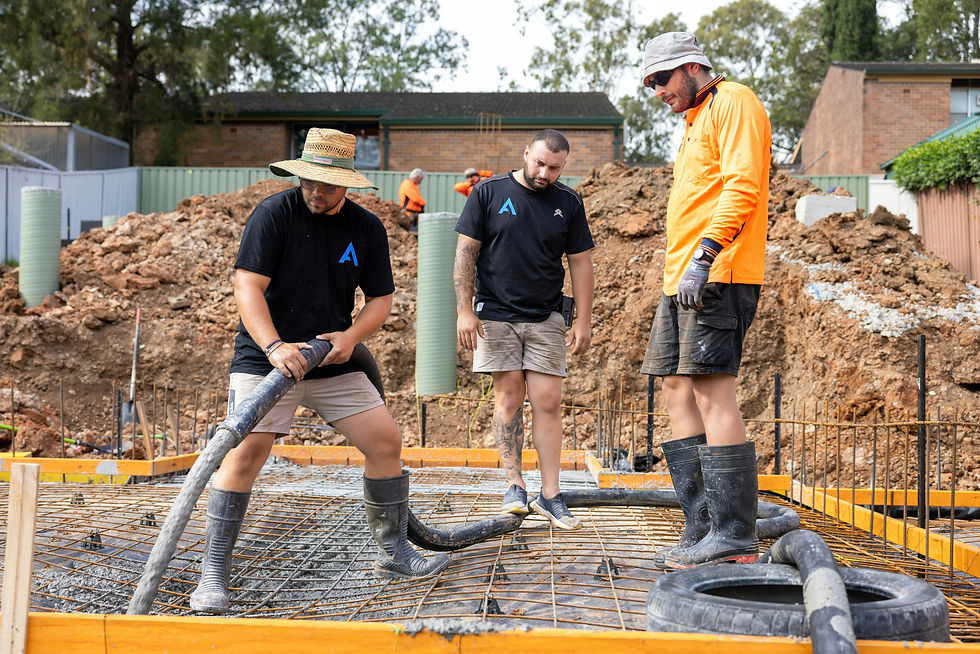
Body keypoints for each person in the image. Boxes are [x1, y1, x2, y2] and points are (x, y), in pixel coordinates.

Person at [189, 128, 448, 613]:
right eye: (309, 181)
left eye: (327, 184)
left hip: (328, 355)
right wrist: (272, 346)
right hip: (267, 357)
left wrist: (350, 339)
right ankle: (213, 577)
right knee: (245, 453)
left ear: (346, 184)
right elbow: (247, 287)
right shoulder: (273, 215)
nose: (315, 191)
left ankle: (394, 552)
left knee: (386, 441)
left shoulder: (366, 229)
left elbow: (381, 300)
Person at [638, 32, 772, 569]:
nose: (656, 91)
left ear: (693, 68)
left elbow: (744, 187)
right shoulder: (693, 123)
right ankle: (702, 527)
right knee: (675, 387)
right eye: (649, 83)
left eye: (661, 79)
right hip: (682, 279)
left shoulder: (733, 102)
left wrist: (705, 254)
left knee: (713, 391)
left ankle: (735, 534)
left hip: (719, 272)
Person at [454, 129, 594, 530]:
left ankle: (551, 494)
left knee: (548, 400)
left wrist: (583, 320)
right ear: (526, 153)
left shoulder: (568, 203)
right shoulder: (489, 193)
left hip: (546, 316)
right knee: (509, 394)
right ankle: (514, 485)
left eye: (554, 168)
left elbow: (581, 263)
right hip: (495, 314)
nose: (544, 173)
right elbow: (466, 254)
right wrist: (465, 311)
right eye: (539, 163)